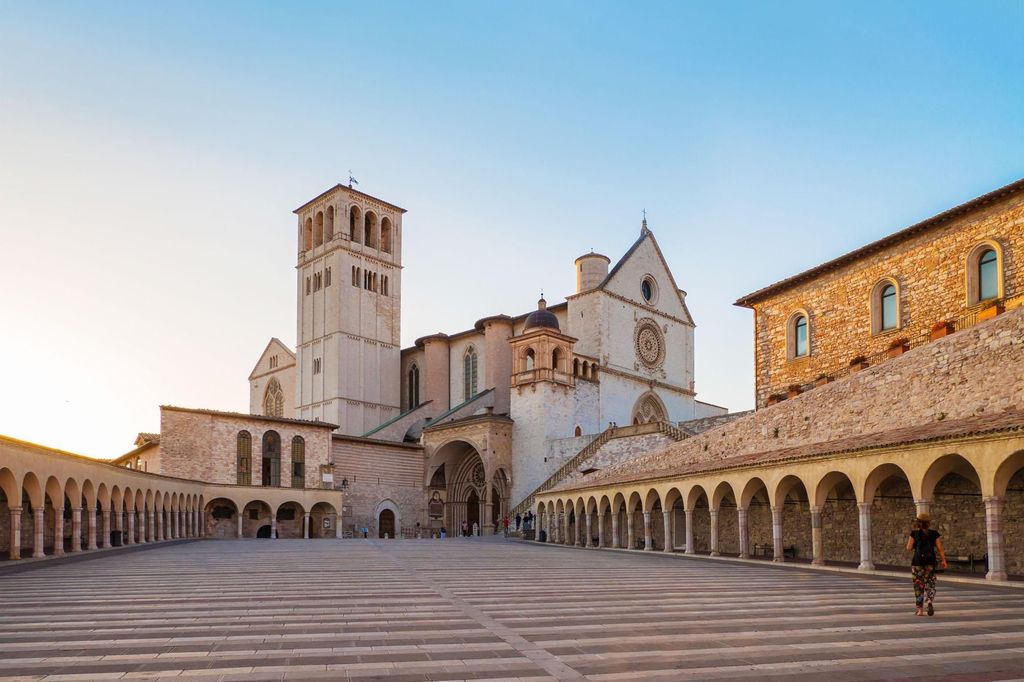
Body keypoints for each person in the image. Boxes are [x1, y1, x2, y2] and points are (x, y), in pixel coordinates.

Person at [906, 513, 947, 616]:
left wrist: (916, 545)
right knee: (930, 583)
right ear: (928, 523)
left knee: (918, 586)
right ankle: (929, 601)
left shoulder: (914, 533)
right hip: (930, 563)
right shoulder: (934, 534)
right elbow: (940, 548)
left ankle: (920, 610)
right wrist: (943, 560)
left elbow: (909, 548)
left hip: (917, 563)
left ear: (918, 523)